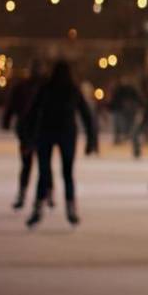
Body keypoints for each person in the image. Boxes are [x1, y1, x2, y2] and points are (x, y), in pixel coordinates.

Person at [24, 60, 98, 228]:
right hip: (66, 134)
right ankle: (70, 208)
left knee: (44, 173)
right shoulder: (72, 89)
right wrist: (91, 139)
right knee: (67, 173)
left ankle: (38, 208)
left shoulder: (46, 88)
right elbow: (86, 115)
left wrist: (28, 137)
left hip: (46, 133)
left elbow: (32, 112)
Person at [2, 59, 45, 211]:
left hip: (36, 131)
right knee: (36, 164)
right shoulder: (30, 87)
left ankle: (38, 195)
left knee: (37, 164)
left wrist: (7, 120)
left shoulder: (41, 87)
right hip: (30, 131)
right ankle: (28, 194)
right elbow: (11, 105)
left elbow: (11, 105)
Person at [108, 78, 143, 147]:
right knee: (122, 124)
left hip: (125, 110)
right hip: (122, 109)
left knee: (125, 124)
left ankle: (126, 135)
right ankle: (122, 136)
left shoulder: (123, 91)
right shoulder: (121, 90)